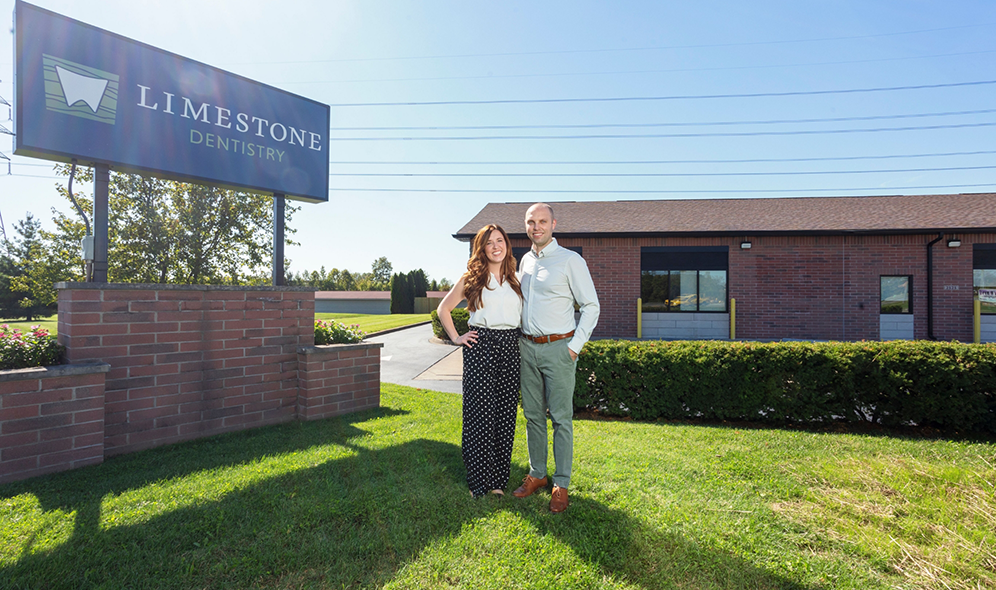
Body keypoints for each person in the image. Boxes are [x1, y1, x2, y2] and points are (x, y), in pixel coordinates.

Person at [513, 203, 599, 513]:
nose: (536, 227)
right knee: (533, 416)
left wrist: (574, 347)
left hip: (559, 349)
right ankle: (537, 474)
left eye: (542, 221)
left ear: (553, 224)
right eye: (530, 222)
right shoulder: (524, 262)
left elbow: (591, 306)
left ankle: (561, 483)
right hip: (527, 348)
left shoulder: (570, 261)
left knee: (561, 419)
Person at [437, 224, 524, 498]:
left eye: (500, 241)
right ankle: (478, 482)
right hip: (481, 346)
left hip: (511, 345)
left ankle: (497, 481)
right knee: (480, 415)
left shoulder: (516, 280)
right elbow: (444, 309)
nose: (496, 246)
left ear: (507, 245)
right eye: (490, 242)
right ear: (482, 249)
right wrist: (456, 338)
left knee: (505, 414)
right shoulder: (471, 278)